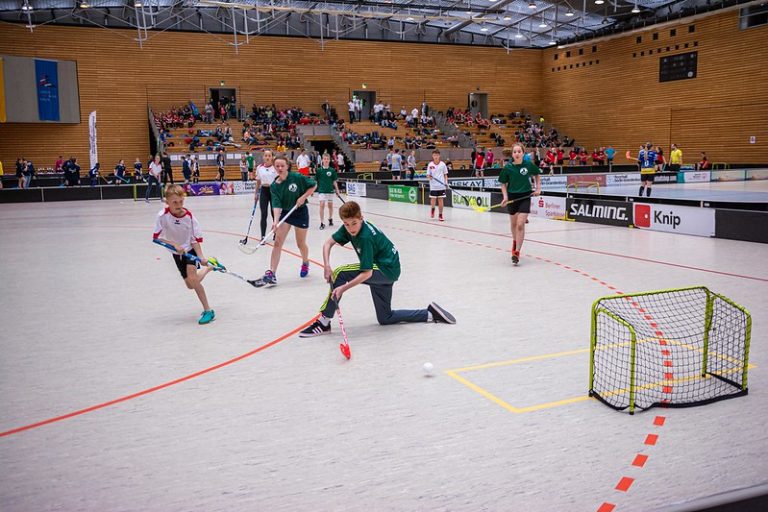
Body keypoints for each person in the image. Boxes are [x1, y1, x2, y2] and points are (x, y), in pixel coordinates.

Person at [298, 200, 455, 337]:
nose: (351, 228)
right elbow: (328, 243)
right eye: (346, 224)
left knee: (340, 273)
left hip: (384, 269)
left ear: (361, 219)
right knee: (385, 318)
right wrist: (326, 265)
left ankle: (323, 322)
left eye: (354, 223)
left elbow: (367, 273)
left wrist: (343, 289)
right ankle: (429, 314)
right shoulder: (349, 229)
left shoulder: (365, 236)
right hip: (389, 269)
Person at [152, 184, 215, 325]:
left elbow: (195, 240)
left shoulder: (190, 218)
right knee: (190, 285)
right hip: (176, 252)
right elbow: (157, 238)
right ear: (166, 201)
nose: (179, 205)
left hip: (189, 250)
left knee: (193, 278)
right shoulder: (162, 216)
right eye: (174, 202)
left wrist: (201, 257)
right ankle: (209, 268)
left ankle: (208, 310)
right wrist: (173, 245)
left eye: (181, 201)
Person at [250, 155, 316, 287]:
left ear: (287, 166)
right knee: (277, 242)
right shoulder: (275, 185)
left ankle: (305, 262)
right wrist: (275, 221)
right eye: (277, 166)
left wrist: (303, 197)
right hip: (286, 213)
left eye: (282, 166)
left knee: (300, 244)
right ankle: (272, 273)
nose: (280, 168)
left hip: (300, 212)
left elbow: (313, 185)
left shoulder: (296, 177)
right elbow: (276, 204)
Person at [498, 144, 542, 266]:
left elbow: (537, 174)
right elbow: (502, 183)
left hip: (525, 197)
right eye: (515, 152)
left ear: (523, 153)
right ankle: (514, 241)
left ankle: (516, 252)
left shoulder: (528, 165)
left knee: (520, 224)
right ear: (512, 154)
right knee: (513, 224)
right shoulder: (508, 168)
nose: (517, 153)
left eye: (519, 151)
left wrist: (538, 188)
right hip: (512, 197)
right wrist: (505, 197)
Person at [255, 149, 277, 239]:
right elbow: (258, 182)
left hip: (273, 191)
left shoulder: (275, 168)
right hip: (264, 191)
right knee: (263, 214)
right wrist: (256, 194)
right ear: (263, 157)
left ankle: (276, 233)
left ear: (272, 157)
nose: (267, 157)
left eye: (269, 156)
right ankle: (263, 236)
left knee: (274, 214)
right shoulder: (259, 168)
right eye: (266, 155)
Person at [316, 153, 340, 230]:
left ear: (329, 160)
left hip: (330, 191)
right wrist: (312, 190)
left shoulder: (332, 170)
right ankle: (322, 222)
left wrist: (337, 190)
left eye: (327, 159)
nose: (326, 160)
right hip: (322, 190)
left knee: (330, 206)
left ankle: (330, 218)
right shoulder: (319, 170)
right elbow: (316, 181)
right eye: (324, 159)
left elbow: (334, 181)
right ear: (322, 160)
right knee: (322, 204)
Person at [426, 149, 448, 222]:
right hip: (433, 186)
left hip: (441, 186)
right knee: (433, 200)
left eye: (437, 155)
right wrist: (429, 177)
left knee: (440, 200)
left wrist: (446, 182)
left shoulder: (443, 164)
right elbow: (428, 175)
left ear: (439, 156)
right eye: (434, 155)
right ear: (432, 156)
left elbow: (445, 174)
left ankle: (440, 215)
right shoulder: (430, 164)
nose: (436, 157)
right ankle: (433, 209)